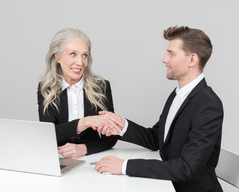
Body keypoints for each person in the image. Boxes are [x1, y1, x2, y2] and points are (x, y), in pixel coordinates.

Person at [94, 26, 224, 192]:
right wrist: (122, 126)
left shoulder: (208, 105)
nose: (164, 59)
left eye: (171, 54)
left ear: (192, 59)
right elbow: (156, 139)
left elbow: (186, 168)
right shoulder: (177, 95)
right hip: (168, 184)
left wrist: (124, 166)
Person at [37, 28, 119, 159]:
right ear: (57, 56)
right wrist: (86, 122)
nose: (80, 63)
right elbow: (48, 134)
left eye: (84, 55)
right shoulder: (47, 88)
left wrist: (83, 149)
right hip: (58, 158)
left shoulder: (101, 87)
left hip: (92, 158)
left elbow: (111, 137)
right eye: (73, 54)